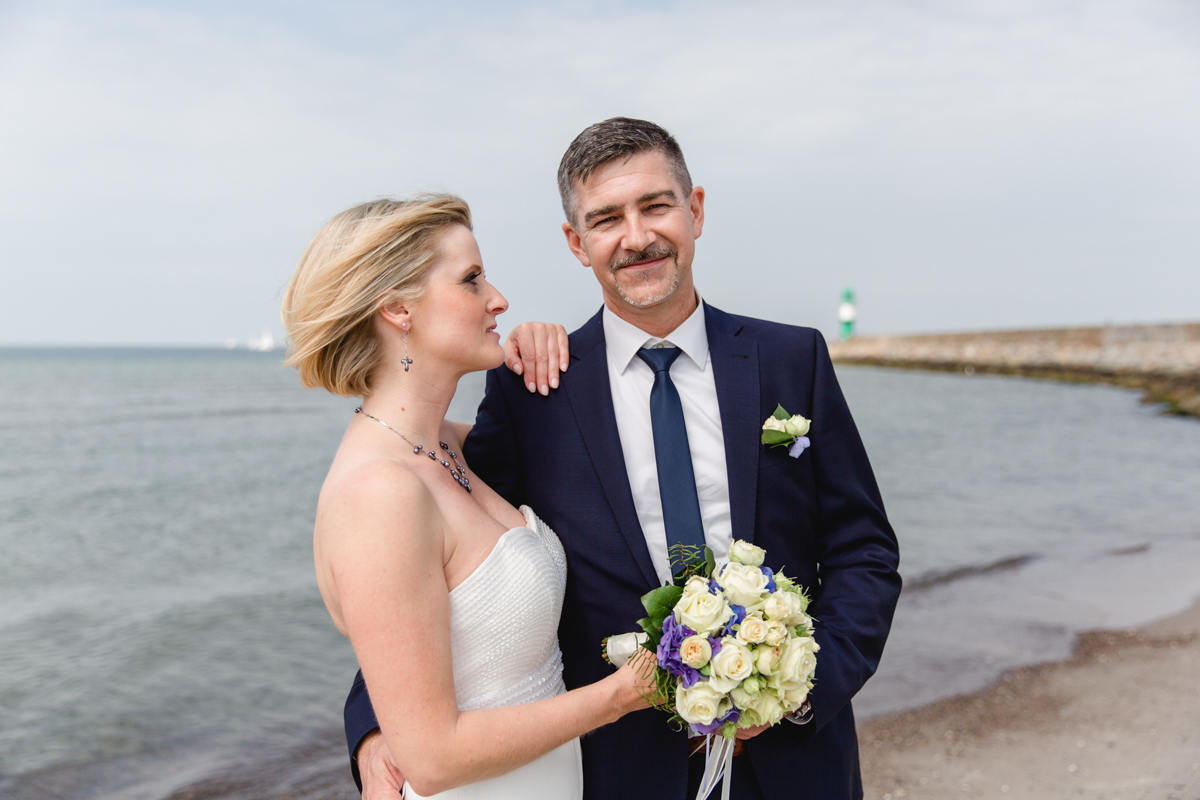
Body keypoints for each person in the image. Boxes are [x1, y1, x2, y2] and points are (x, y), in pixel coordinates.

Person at [347, 118, 902, 800]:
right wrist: (375, 718)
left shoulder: (794, 360)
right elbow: (439, 549)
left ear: (694, 211)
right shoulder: (533, 390)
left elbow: (863, 550)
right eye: (606, 219)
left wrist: (805, 686)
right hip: (620, 771)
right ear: (576, 244)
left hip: (797, 764)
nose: (636, 237)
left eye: (656, 206)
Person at [281, 194, 657, 799]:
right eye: (471, 280)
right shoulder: (379, 493)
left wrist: (539, 349)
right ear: (398, 308)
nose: (499, 299)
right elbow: (431, 757)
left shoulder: (451, 448)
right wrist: (620, 695)